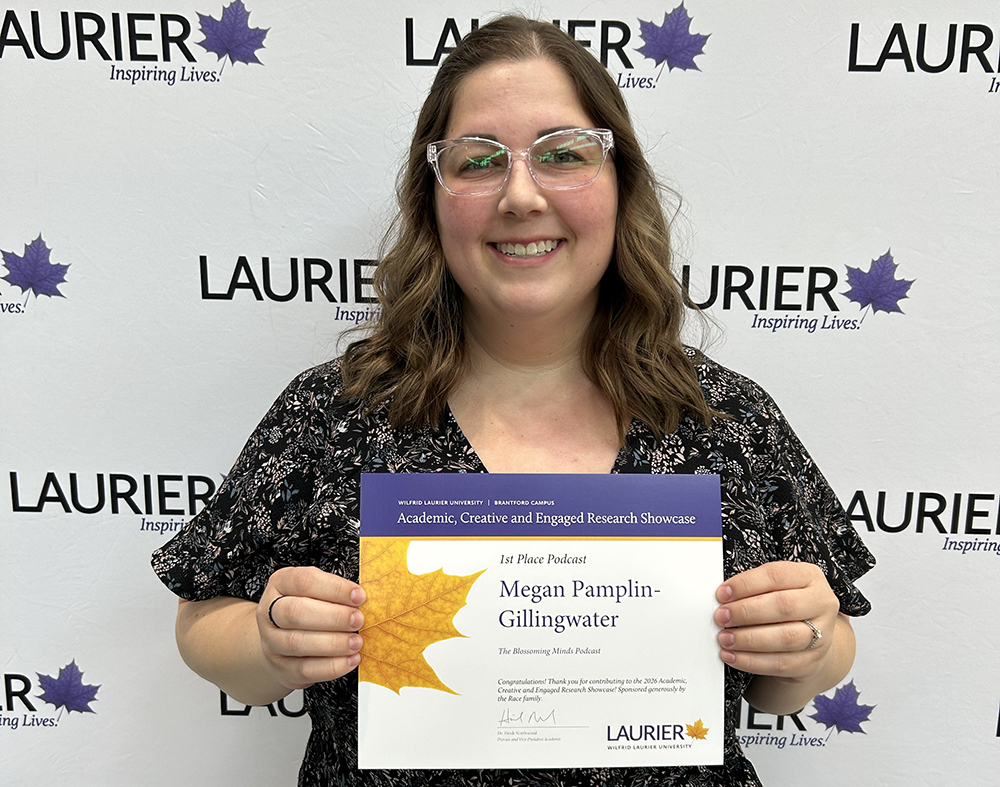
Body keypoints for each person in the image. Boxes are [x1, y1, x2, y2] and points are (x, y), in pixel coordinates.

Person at [152, 15, 874, 787]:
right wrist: (268, 643)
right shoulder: (334, 413)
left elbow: (788, 678)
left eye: (564, 154)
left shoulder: (727, 421)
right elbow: (203, 621)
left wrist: (813, 640)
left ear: (620, 181)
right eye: (478, 160)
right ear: (433, 195)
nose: (521, 194)